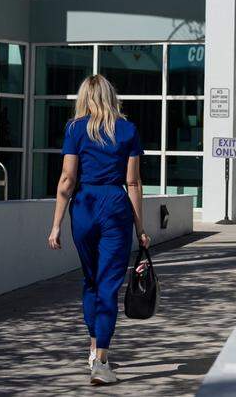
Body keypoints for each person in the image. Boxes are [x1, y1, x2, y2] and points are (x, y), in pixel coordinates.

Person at [47, 74, 150, 386]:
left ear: (84, 97)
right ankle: (101, 362)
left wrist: (55, 224)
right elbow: (132, 182)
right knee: (107, 286)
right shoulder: (127, 129)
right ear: (110, 95)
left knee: (91, 281)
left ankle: (93, 349)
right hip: (114, 206)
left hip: (84, 206)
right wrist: (140, 227)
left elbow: (67, 180)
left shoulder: (75, 129)